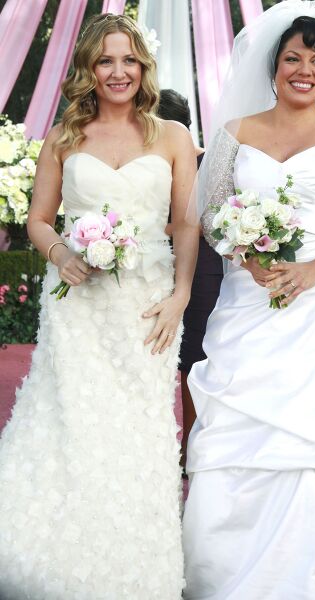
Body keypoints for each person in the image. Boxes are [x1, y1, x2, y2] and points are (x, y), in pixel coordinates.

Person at [183, 2, 315, 598]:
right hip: (249, 307)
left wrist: (311, 272)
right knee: (241, 438)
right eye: (293, 58)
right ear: (273, 66)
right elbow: (212, 213)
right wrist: (252, 260)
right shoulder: (234, 134)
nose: (305, 70)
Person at [0, 13, 197, 600]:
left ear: (143, 67)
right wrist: (61, 253)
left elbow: (187, 224)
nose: (118, 71)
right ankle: (50, 557)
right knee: (71, 423)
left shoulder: (172, 137)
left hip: (147, 309)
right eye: (106, 60)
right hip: (77, 307)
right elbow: (39, 220)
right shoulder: (65, 136)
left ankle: (134, 571)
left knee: (138, 430)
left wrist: (181, 296)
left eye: (129, 60)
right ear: (89, 67)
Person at [157, 89, 223, 475]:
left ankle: (191, 448)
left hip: (202, 270)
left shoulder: (207, 162)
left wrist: (152, 228)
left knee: (194, 358)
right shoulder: (150, 160)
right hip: (152, 266)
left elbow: (204, 223)